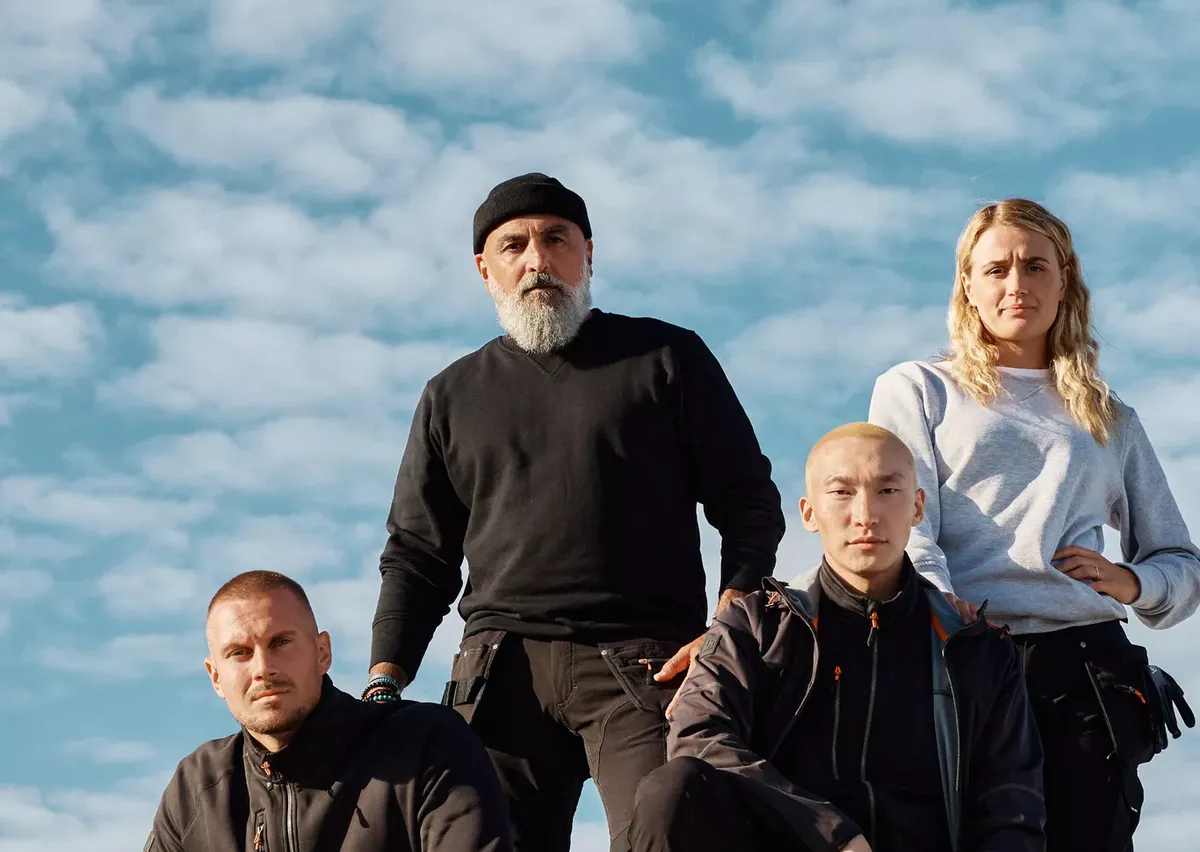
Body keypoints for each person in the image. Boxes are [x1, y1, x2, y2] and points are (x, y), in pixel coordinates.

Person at [363, 172, 786, 851]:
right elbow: (418, 553)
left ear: (587, 252)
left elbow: (748, 500)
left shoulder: (665, 358)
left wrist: (730, 624)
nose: (537, 260)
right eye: (515, 246)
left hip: (646, 662)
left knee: (670, 822)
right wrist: (385, 677)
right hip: (499, 673)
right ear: (486, 269)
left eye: (556, 239)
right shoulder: (450, 395)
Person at [868, 198, 1200, 851]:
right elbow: (904, 519)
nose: (1016, 284)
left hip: (1084, 670)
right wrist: (942, 611)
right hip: (956, 658)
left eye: (1034, 266)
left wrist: (1131, 582)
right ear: (968, 285)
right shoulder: (918, 389)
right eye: (996, 269)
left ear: (1064, 280)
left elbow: (1182, 565)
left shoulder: (1110, 417)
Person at [629, 423, 1045, 852]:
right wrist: (834, 836)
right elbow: (699, 738)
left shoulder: (977, 648)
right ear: (809, 513)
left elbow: (1011, 806)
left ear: (918, 508)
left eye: (887, 491)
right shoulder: (753, 626)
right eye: (842, 492)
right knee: (672, 789)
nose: (866, 515)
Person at [145, 570, 511, 852]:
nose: (262, 668)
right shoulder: (196, 788)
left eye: (281, 643)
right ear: (215, 677)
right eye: (239, 653)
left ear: (323, 652)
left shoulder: (426, 746)